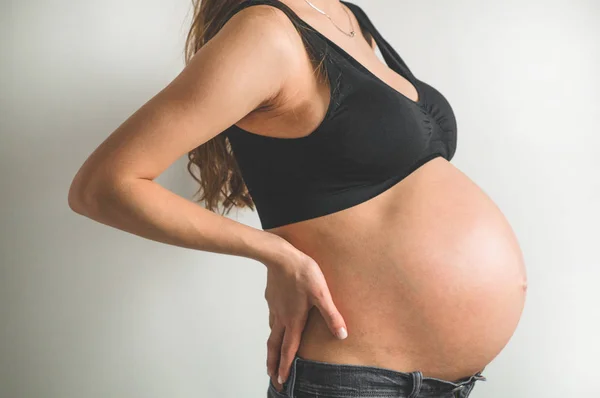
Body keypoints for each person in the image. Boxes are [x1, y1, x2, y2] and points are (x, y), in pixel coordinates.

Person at [68, 0, 528, 397]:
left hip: (443, 382)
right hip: (360, 380)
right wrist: (277, 254)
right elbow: (103, 185)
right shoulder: (266, 33)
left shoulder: (346, 15)